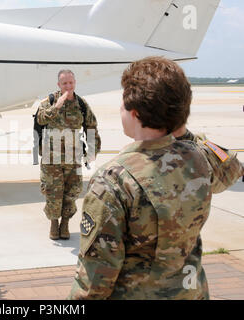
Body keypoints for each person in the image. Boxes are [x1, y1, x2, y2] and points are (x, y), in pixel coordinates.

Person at [68, 56, 244, 300]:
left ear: (135, 114)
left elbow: (94, 285)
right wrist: (179, 128)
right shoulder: (198, 158)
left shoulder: (113, 180)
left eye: (123, 104)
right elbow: (232, 167)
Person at [36, 70, 101, 240]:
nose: (68, 86)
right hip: (52, 158)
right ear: (59, 85)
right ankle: (53, 223)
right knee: (53, 193)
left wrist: (92, 152)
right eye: (64, 83)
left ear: (75, 83)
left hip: (73, 157)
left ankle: (65, 223)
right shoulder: (48, 101)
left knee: (72, 192)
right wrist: (56, 106)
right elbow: (40, 119)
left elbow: (91, 127)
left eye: (71, 83)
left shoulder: (81, 104)